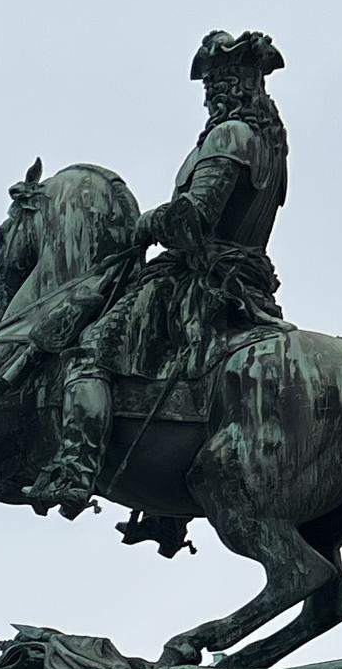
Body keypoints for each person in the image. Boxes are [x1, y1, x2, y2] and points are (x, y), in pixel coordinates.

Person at [30, 29, 291, 514]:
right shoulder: (269, 142)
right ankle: (163, 507)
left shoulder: (230, 136)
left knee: (91, 352)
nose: (210, 94)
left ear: (235, 85)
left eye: (215, 83)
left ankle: (74, 468)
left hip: (197, 282)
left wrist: (145, 223)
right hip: (243, 282)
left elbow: (195, 215)